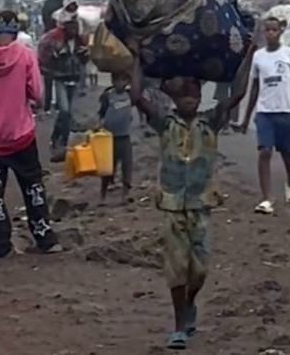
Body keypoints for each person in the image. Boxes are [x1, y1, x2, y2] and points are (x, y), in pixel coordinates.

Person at [130, 42, 255, 350]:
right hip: (171, 205)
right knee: (176, 268)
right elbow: (136, 96)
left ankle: (189, 304)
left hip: (201, 204)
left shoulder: (210, 121)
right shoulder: (164, 123)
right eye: (184, 96)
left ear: (200, 98)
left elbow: (237, 95)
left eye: (194, 96)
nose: (189, 101)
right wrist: (135, 57)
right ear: (175, 98)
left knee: (199, 270)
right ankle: (178, 325)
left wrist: (249, 55)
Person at [0, 11, 60, 257]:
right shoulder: (25, 55)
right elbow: (38, 95)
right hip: (21, 136)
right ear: (16, 31)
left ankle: (2, 247)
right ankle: (45, 239)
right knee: (33, 188)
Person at [237, 17, 290, 214]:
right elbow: (255, 87)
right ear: (264, 33)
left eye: (274, 30)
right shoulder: (259, 57)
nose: (271, 34)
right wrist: (247, 116)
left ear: (280, 31)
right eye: (267, 30)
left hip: (286, 110)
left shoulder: (289, 54)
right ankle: (266, 197)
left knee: (287, 154)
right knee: (265, 151)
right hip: (265, 112)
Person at [39, 13, 89, 161]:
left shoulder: (80, 42)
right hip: (60, 79)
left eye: (75, 27)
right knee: (65, 111)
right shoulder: (57, 42)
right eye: (71, 27)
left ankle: (58, 139)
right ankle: (61, 142)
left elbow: (84, 61)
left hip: (73, 79)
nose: (74, 29)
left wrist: (84, 55)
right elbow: (49, 58)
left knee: (66, 113)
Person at [98, 72, 134, 206]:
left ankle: (125, 194)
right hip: (110, 137)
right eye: (117, 80)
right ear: (113, 81)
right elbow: (102, 113)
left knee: (127, 166)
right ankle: (103, 195)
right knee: (108, 168)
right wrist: (99, 125)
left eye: (123, 80)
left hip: (125, 136)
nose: (120, 84)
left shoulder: (130, 94)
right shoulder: (108, 95)